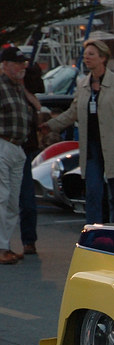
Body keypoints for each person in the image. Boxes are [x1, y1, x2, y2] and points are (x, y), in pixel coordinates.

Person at [44, 39, 114, 224]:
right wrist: (51, 125)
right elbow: (73, 112)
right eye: (85, 54)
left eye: (91, 54)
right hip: (91, 148)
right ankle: (93, 232)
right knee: (93, 193)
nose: (86, 58)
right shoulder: (83, 84)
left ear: (103, 58)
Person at [0, 47, 35, 265]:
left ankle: (5, 245)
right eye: (17, 63)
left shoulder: (17, 88)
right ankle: (1, 247)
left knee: (12, 201)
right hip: (3, 143)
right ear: (5, 65)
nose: (22, 67)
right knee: (2, 198)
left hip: (17, 147)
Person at [18, 59, 44, 256]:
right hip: (16, 145)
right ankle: (27, 241)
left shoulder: (22, 89)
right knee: (21, 197)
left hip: (24, 146)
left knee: (26, 197)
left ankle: (29, 241)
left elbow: (38, 107)